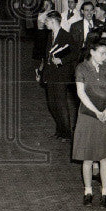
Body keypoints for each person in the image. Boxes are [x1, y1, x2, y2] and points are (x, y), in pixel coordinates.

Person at [71, 36, 106, 207]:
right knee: (88, 157)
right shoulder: (81, 68)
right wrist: (97, 111)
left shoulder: (105, 68)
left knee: (104, 156)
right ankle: (88, 190)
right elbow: (81, 94)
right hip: (88, 116)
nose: (105, 57)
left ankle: (105, 191)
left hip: (104, 115)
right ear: (92, 52)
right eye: (102, 53)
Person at [38, 11, 76, 141]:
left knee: (61, 104)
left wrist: (62, 61)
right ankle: (60, 130)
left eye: (47, 21)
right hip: (51, 74)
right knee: (52, 104)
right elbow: (47, 55)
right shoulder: (51, 35)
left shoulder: (66, 36)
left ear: (53, 21)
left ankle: (67, 133)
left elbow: (74, 53)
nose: (45, 23)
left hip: (61, 75)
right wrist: (42, 72)